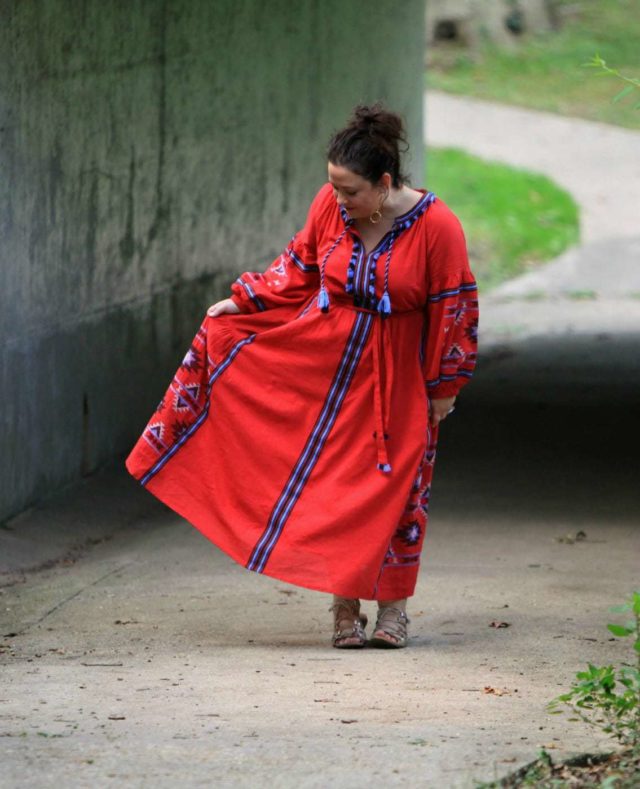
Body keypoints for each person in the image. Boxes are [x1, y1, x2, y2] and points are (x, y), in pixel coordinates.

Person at [125, 103, 479, 649]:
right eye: (333, 187)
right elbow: (299, 267)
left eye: (351, 191)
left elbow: (453, 312)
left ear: (384, 184)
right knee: (335, 487)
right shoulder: (330, 208)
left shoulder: (438, 228)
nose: (339, 200)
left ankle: (393, 612)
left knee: (397, 489)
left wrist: (444, 389)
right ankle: (344, 609)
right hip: (328, 365)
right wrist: (244, 301)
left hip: (399, 374)